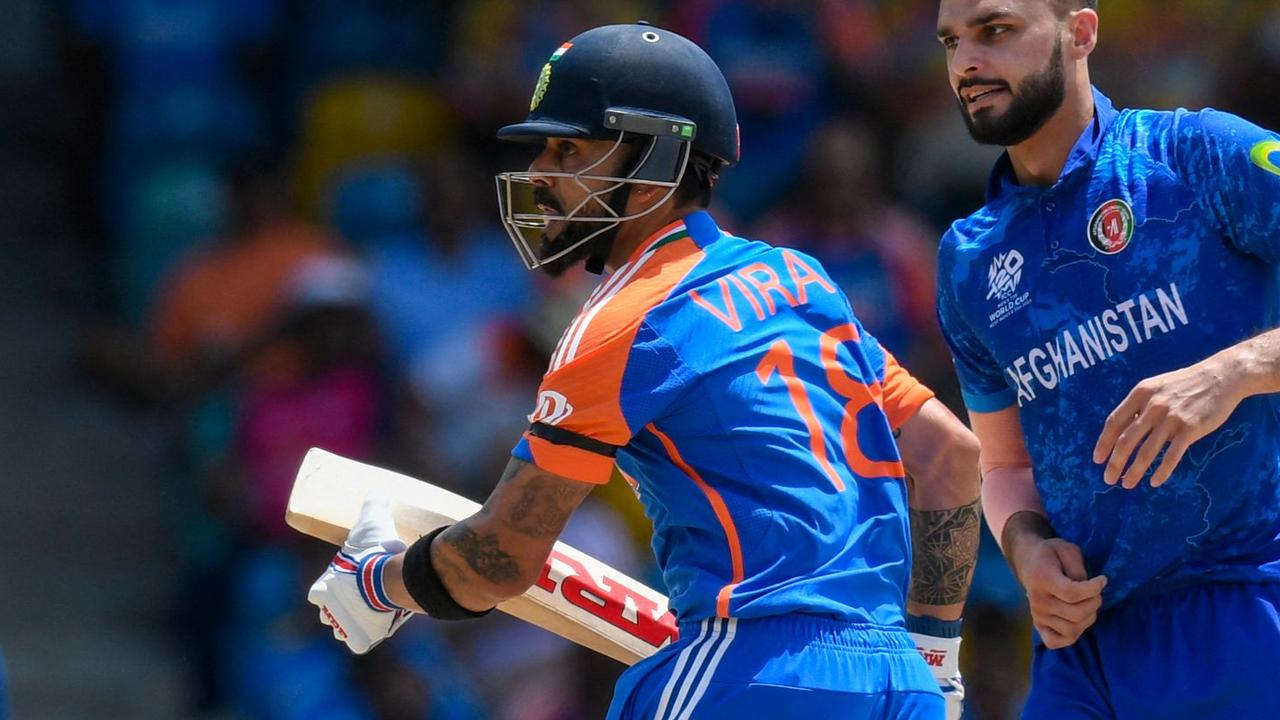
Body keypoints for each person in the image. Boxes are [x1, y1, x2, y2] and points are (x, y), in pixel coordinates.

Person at [309, 23, 982, 719]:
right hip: (898, 682)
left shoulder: (621, 322)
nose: (541, 170)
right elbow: (949, 454)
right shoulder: (799, 280)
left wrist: (383, 583)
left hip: (752, 667)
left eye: (568, 147)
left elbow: (501, 560)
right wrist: (935, 662)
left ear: (656, 161)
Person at [933, 1, 1280, 718]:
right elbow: (1005, 469)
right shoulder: (968, 260)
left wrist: (1235, 371)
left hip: (1247, 598)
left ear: (1081, 32)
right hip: (1079, 644)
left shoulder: (1199, 155)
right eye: (952, 41)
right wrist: (1027, 552)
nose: (967, 61)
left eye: (994, 31)